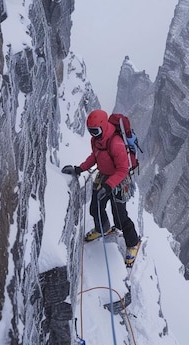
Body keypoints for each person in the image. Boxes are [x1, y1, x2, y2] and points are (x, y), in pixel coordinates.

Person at [62, 109, 141, 266]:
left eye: (95, 131)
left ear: (103, 127)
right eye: (90, 131)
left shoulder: (116, 143)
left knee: (120, 217)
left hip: (119, 180)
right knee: (95, 207)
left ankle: (133, 243)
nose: (93, 134)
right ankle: (102, 228)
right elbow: (95, 156)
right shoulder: (96, 140)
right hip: (105, 176)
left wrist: (109, 185)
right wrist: (79, 169)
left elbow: (123, 169)